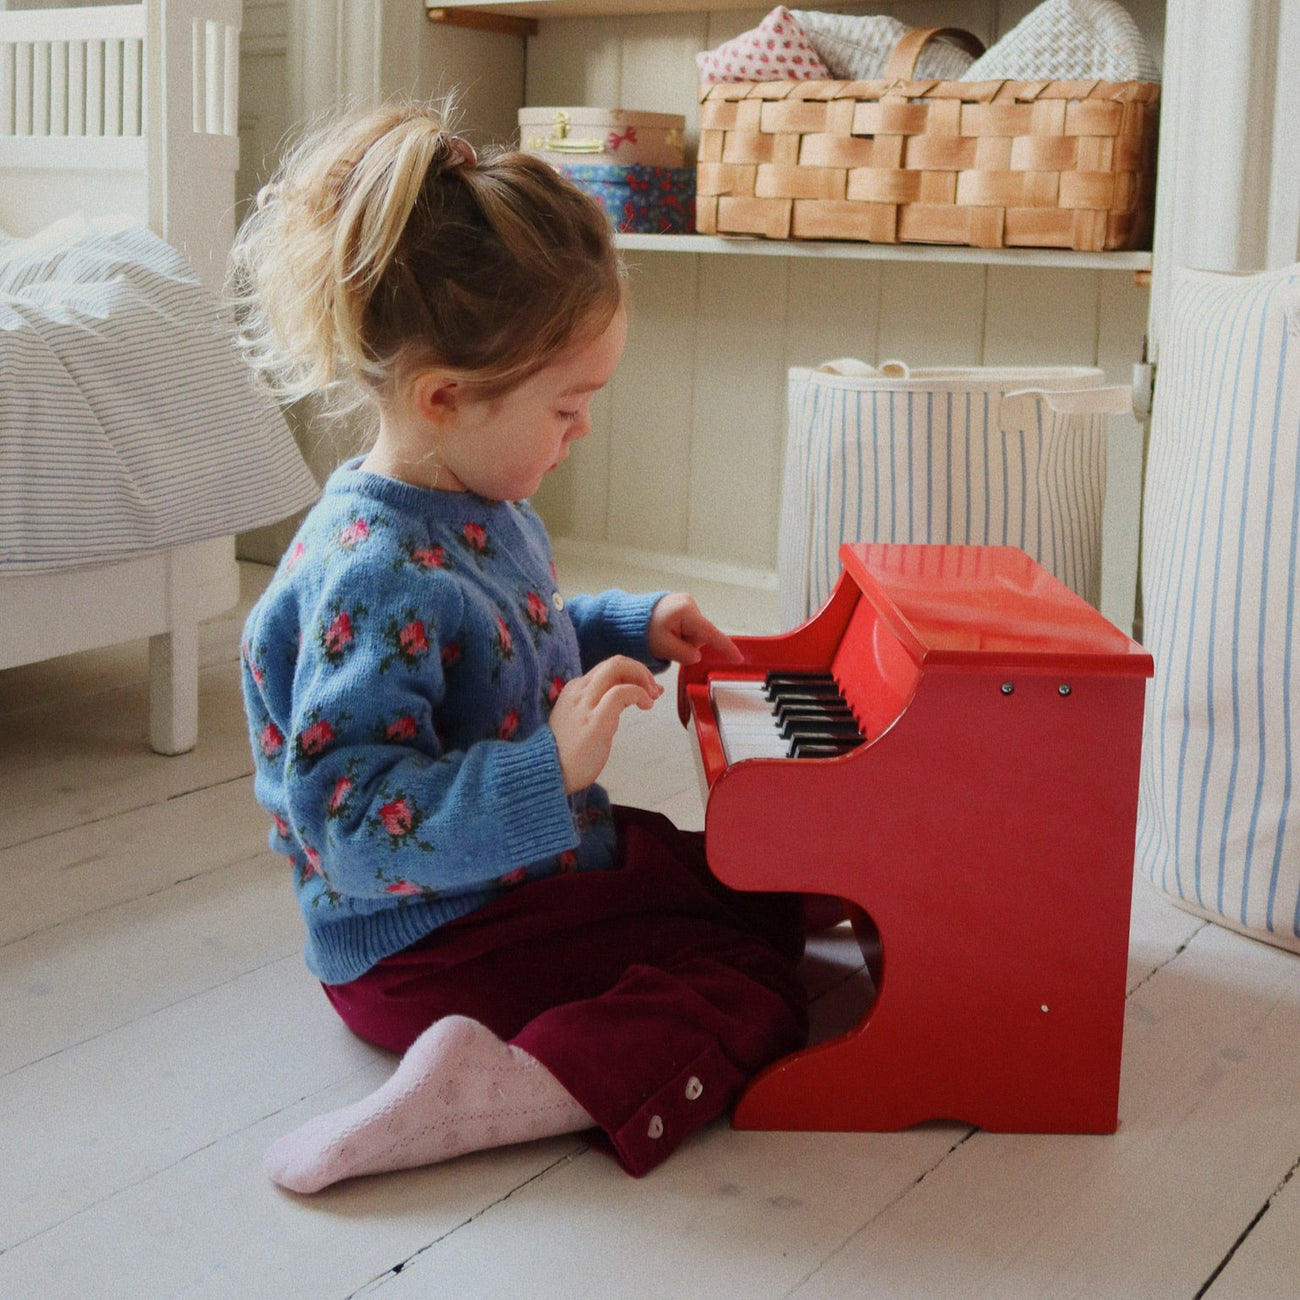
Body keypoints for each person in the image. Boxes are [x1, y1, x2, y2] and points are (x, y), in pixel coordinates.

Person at [231, 101, 808, 1195]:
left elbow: (502, 653)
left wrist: (624, 625)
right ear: (445, 398)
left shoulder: (476, 498)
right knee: (751, 978)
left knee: (751, 889)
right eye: (567, 406)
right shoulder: (372, 572)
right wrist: (549, 768)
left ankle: (528, 1041)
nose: (582, 431)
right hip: (419, 946)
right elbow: (353, 824)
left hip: (503, 884)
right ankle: (506, 1084)